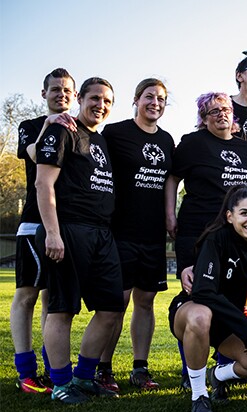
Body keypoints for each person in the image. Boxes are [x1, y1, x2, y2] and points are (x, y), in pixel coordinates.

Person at [34, 77, 123, 404]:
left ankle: (84, 378)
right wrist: (54, 233)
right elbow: (44, 184)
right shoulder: (62, 130)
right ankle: (60, 384)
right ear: (80, 99)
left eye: (107, 100)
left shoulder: (100, 141)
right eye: (95, 98)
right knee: (62, 309)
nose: (101, 104)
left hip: (101, 233)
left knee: (112, 308)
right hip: (68, 229)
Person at [166, 92, 247, 388]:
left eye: (226, 109)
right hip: (197, 233)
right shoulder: (192, 143)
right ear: (203, 118)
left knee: (230, 297)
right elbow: (172, 178)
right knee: (196, 295)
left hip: (235, 239)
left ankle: (222, 368)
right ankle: (189, 372)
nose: (221, 114)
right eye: (214, 111)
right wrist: (170, 214)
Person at [92, 79, 174, 392]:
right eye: (149, 97)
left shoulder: (167, 141)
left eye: (161, 98)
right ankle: (103, 368)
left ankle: (140, 369)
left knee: (146, 300)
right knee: (118, 300)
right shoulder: (114, 133)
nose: (155, 102)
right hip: (120, 230)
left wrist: (169, 216)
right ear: (136, 99)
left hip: (152, 234)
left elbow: (170, 181)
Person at [168, 186, 247, 412]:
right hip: (192, 311)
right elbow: (203, 292)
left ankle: (218, 375)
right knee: (201, 316)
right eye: (244, 213)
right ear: (229, 216)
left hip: (225, 321)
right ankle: (199, 396)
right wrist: (246, 330)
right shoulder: (217, 238)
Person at [12, 68, 76, 394]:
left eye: (66, 90)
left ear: (74, 96)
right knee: (27, 295)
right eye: (55, 89)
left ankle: (54, 368)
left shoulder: (80, 131)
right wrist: (50, 125)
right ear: (44, 93)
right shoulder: (30, 127)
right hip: (34, 224)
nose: (61, 94)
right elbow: (36, 155)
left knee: (54, 298)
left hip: (64, 227)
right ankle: (25, 371)